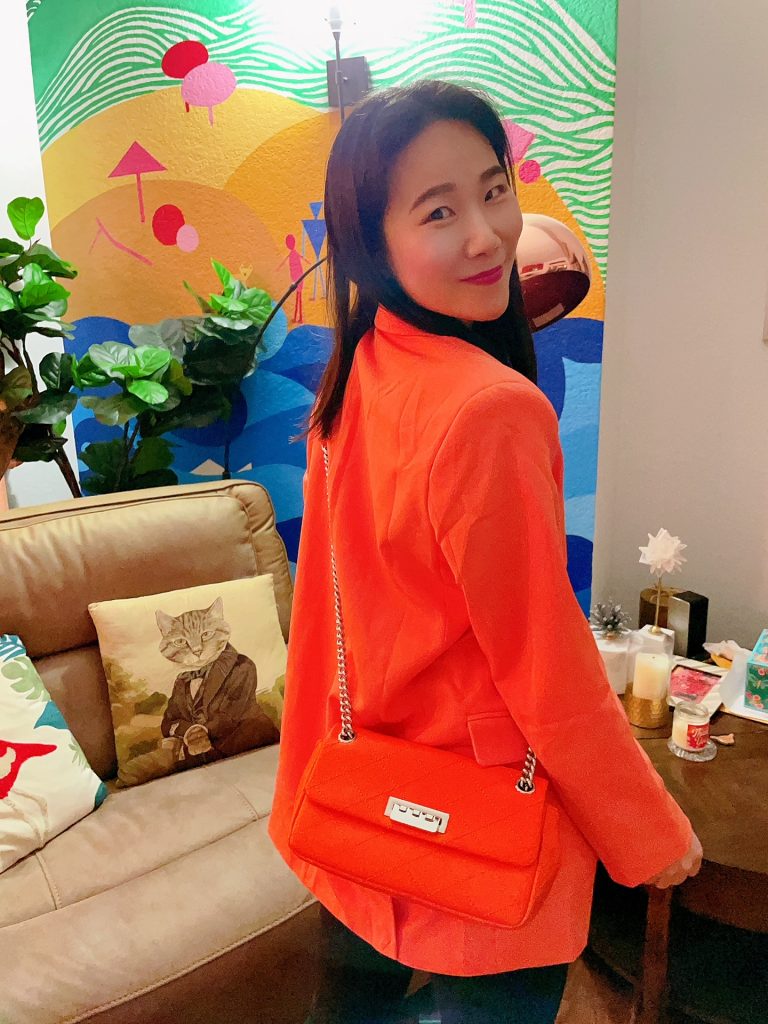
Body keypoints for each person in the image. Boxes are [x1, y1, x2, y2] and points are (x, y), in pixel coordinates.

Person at [268, 79, 702, 1024]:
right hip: (478, 823)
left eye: (494, 190)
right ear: (375, 243)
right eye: (439, 211)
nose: (487, 235)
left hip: (354, 793)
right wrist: (651, 835)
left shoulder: (358, 368)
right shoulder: (490, 408)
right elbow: (546, 668)